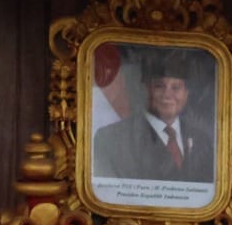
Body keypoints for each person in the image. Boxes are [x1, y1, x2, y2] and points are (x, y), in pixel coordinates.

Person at [91, 49, 216, 183]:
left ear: (186, 94)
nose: (167, 95)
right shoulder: (112, 138)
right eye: (159, 86)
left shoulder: (203, 141)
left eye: (176, 88)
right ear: (146, 89)